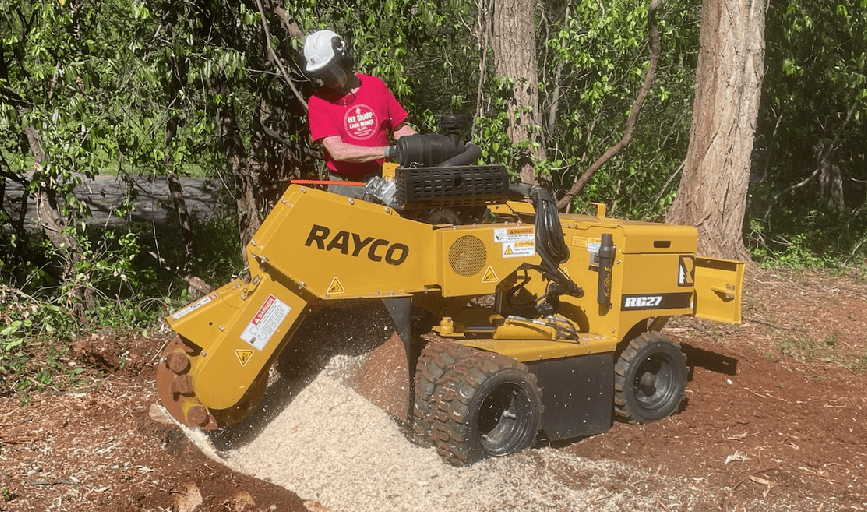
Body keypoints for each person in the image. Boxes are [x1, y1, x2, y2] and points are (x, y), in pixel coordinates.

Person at [302, 29, 416, 197]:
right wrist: (388, 151)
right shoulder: (318, 102)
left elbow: (399, 128)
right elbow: (338, 151)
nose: (328, 80)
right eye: (321, 75)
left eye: (331, 71)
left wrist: (423, 145)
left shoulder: (375, 86)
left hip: (383, 178)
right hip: (346, 186)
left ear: (345, 60)